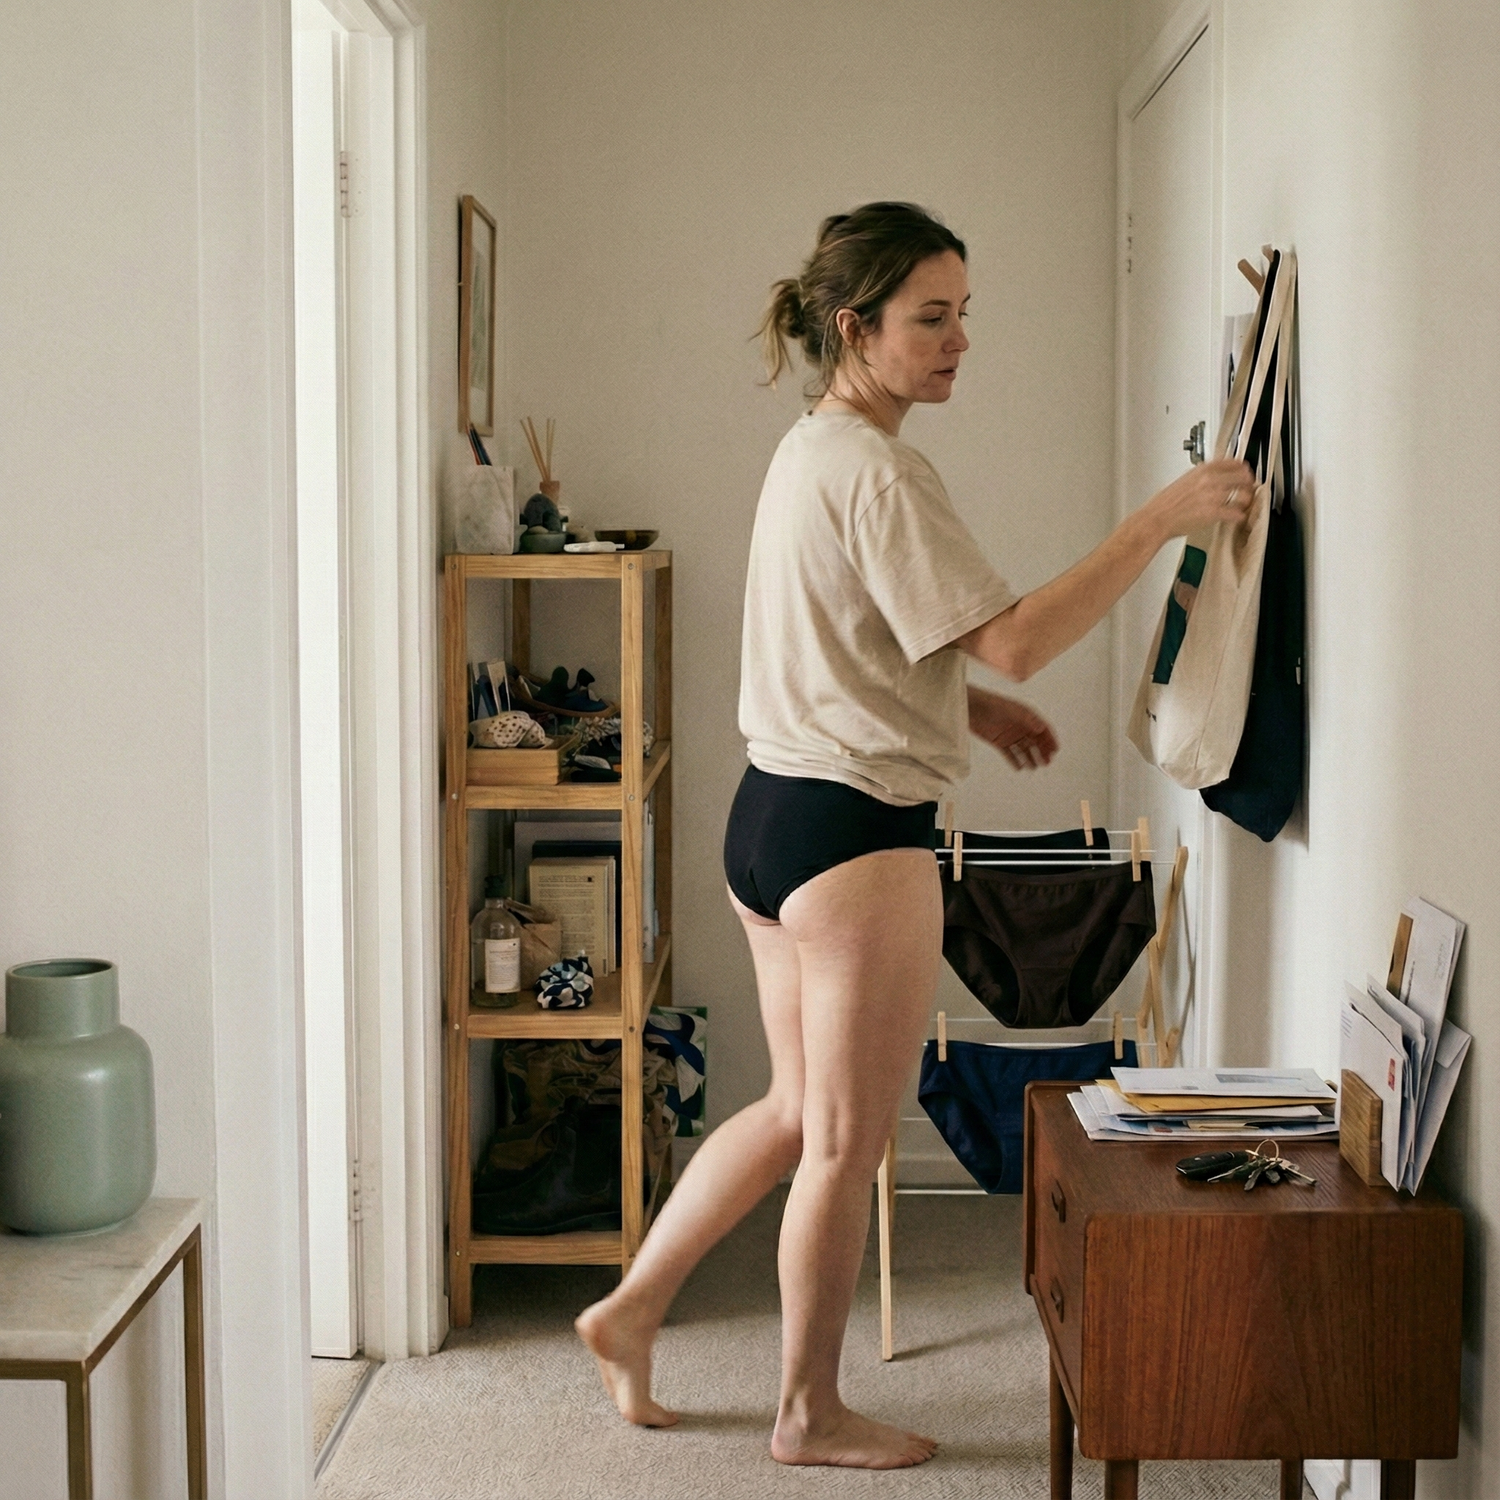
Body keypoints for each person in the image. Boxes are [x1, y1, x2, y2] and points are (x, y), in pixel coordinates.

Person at [577, 201, 1252, 1469]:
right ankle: (805, 1413)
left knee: (792, 1113)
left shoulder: (812, 448)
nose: (957, 343)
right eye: (930, 319)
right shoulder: (884, 469)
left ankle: (629, 1309)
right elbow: (1014, 635)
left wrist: (967, 706)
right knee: (842, 1141)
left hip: (770, 820)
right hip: (856, 841)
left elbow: (851, 628)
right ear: (856, 327)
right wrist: (1159, 518)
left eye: (964, 315)